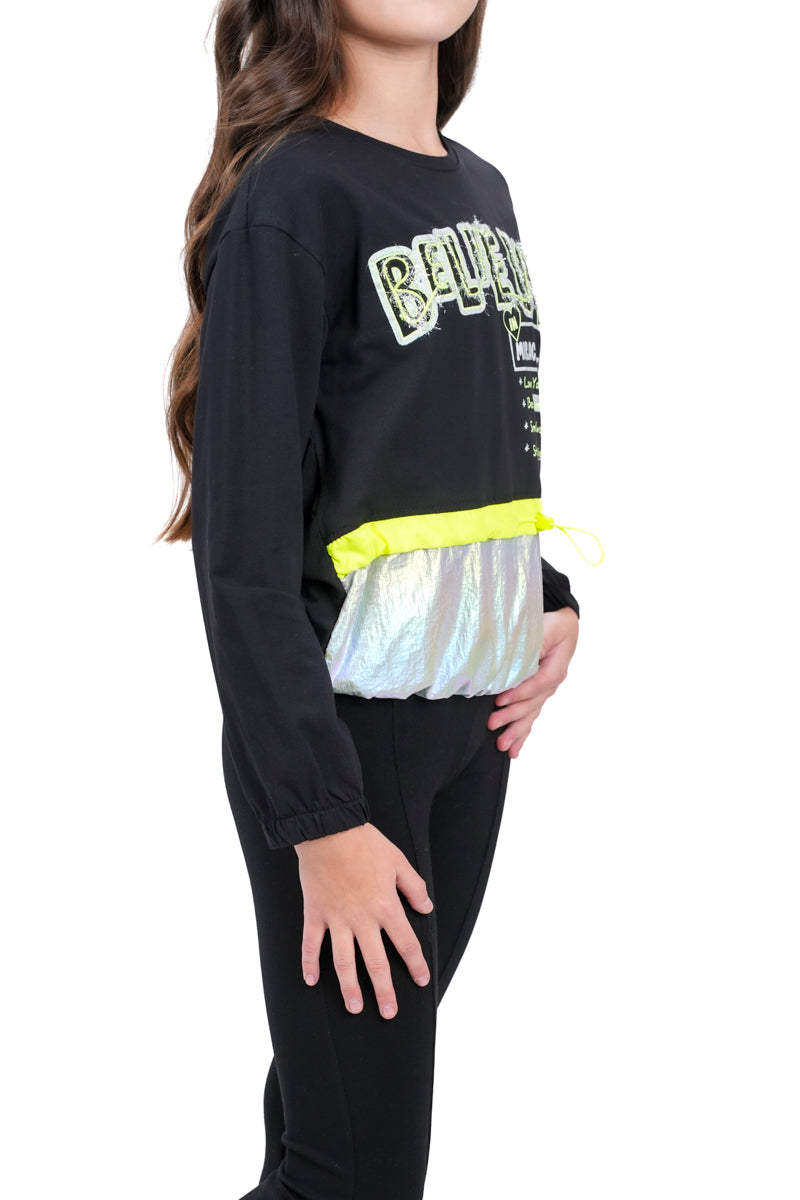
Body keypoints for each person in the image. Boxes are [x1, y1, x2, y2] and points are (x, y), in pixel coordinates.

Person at [157, 2, 585, 1197]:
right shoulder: (293, 196)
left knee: (330, 1131)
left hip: (470, 730)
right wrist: (323, 820)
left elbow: (469, 439)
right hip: (344, 732)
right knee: (357, 1170)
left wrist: (547, 596)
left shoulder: (484, 191)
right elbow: (242, 558)